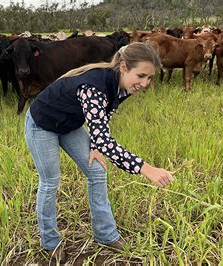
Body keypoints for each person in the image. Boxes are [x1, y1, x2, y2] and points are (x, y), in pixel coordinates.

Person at [24, 42, 174, 262]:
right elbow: (105, 138)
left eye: (149, 78)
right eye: (141, 75)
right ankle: (50, 242)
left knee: (97, 171)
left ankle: (105, 234)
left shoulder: (123, 85)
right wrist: (146, 168)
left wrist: (95, 146)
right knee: (50, 181)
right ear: (123, 67)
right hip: (42, 124)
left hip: (69, 125)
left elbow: (105, 114)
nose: (144, 83)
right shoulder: (93, 87)